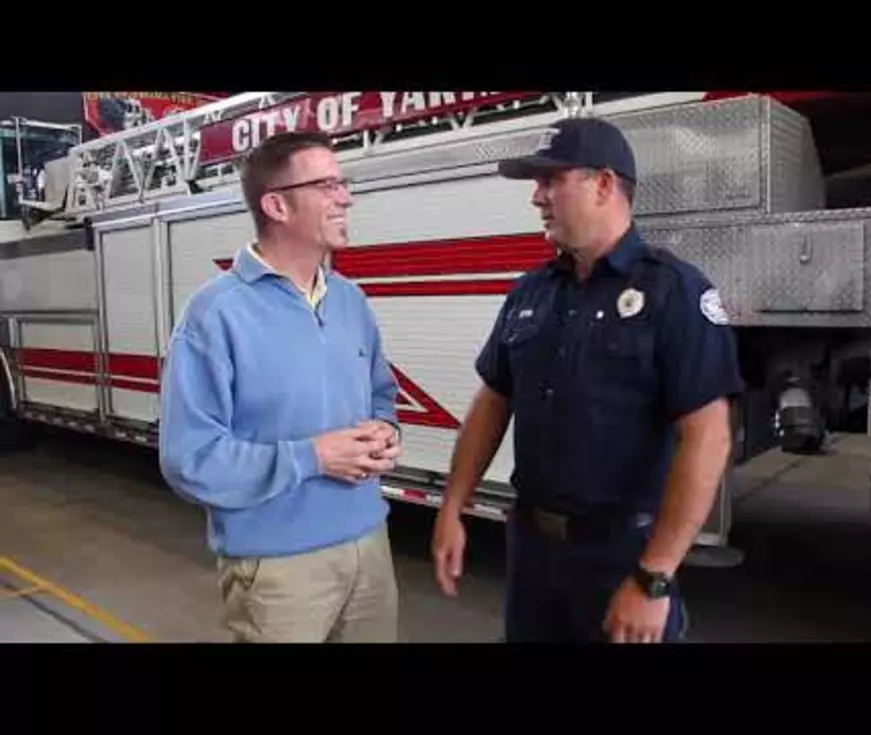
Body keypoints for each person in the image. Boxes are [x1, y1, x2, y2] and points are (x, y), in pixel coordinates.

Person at [431, 115, 744, 643]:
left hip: (622, 554)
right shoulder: (531, 292)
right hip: (532, 552)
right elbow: (494, 399)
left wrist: (654, 578)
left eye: (552, 180)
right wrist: (452, 505)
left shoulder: (675, 293)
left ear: (603, 184)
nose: (537, 197)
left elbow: (708, 437)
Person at [158, 131, 403, 643]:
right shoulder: (215, 315)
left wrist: (385, 429)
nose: (346, 197)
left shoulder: (350, 300)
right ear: (276, 205)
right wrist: (311, 457)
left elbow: (382, 391)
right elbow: (189, 459)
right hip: (277, 570)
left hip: (370, 548)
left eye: (343, 183)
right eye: (327, 185)